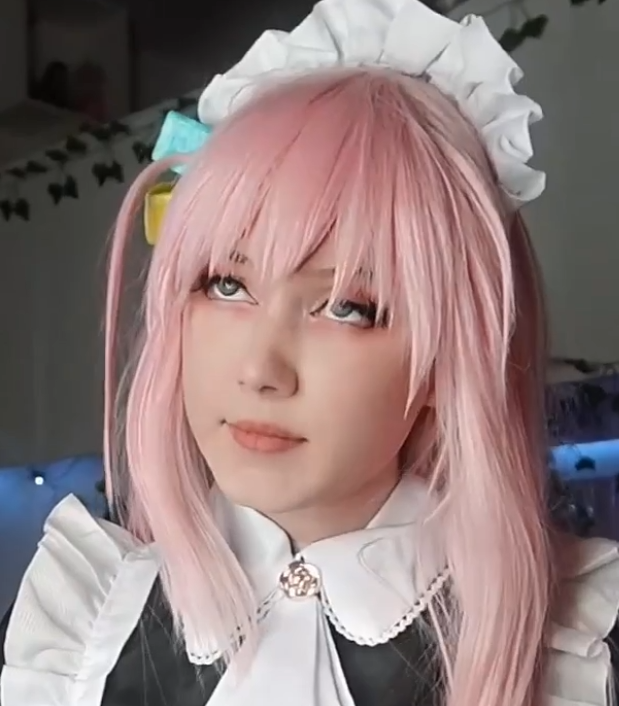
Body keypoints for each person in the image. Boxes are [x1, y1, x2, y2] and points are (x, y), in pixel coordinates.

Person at [2, 1, 618, 705]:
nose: (259, 370)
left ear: (451, 351)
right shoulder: (79, 627)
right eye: (226, 284)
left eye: (347, 306)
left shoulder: (576, 643)